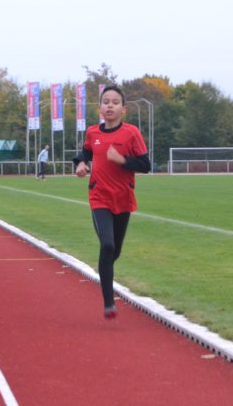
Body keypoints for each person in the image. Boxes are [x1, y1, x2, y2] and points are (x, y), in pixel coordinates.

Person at [73, 85, 150, 319]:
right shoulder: (93, 133)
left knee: (114, 251)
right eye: (106, 102)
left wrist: (122, 160)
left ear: (123, 109)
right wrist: (80, 163)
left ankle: (104, 267)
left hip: (123, 198)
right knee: (107, 245)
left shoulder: (131, 133)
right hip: (99, 196)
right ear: (100, 108)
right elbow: (85, 152)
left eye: (115, 102)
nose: (110, 106)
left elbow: (145, 165)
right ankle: (109, 303)